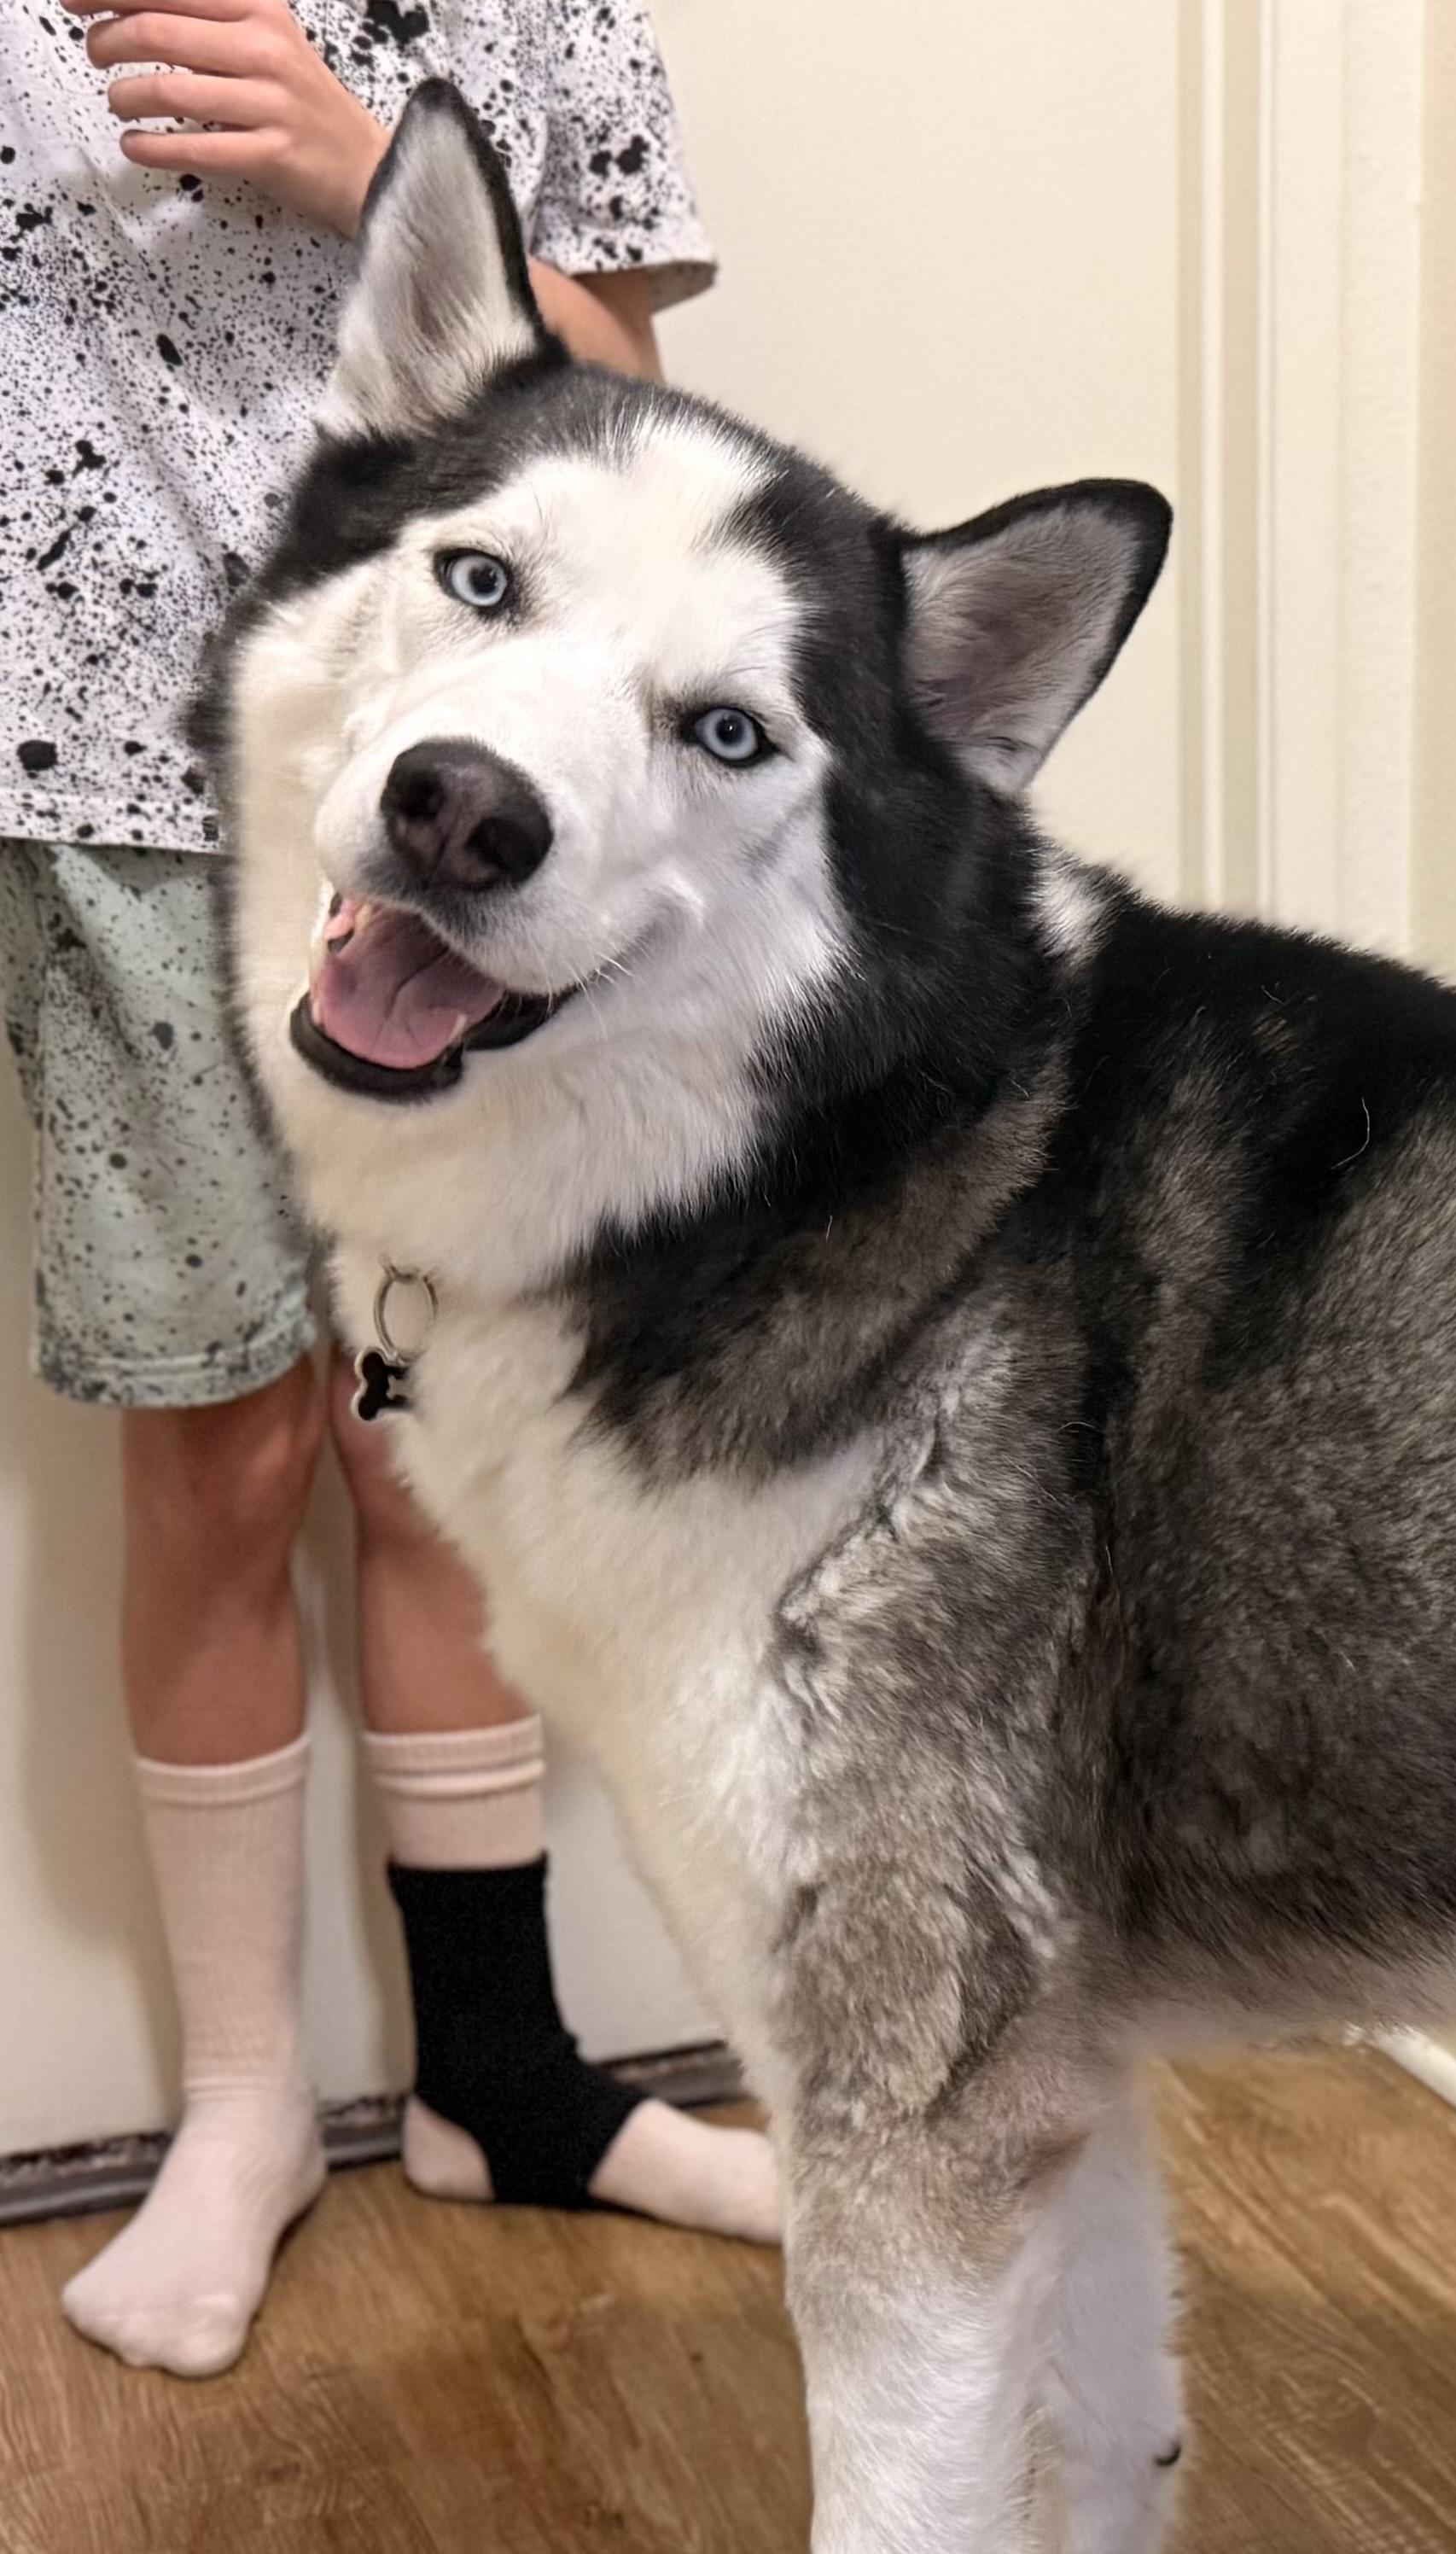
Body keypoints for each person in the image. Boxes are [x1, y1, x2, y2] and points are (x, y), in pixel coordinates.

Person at [3, 0, 776, 2379]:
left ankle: (499, 2078)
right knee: (219, 1449)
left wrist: (373, 182)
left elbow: (648, 425)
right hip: (110, 784)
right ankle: (245, 2110)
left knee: (429, 1446)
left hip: (497, 783)